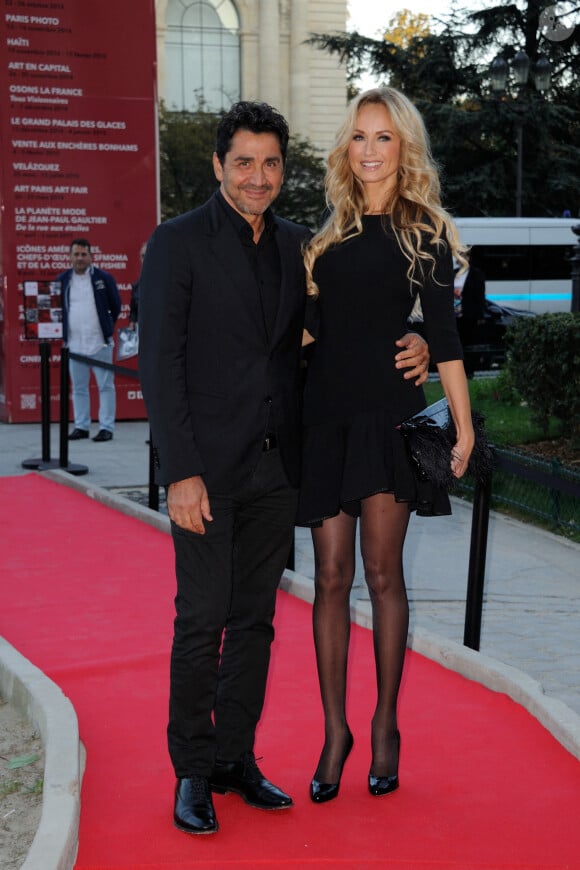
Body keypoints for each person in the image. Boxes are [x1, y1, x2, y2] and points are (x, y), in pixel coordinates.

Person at [138, 100, 430, 837]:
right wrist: (180, 471)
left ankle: (236, 757)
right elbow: (159, 363)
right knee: (202, 622)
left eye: (270, 163)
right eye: (244, 162)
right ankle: (193, 771)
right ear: (218, 166)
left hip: (278, 469)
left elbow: (353, 329)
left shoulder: (303, 246)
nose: (258, 177)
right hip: (205, 470)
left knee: (257, 622)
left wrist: (419, 341)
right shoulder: (176, 244)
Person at [297, 87, 475, 804]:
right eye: (360, 137)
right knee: (328, 579)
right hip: (327, 419)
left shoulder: (423, 230)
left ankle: (384, 726)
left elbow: (449, 337)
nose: (370, 150)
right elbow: (306, 334)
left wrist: (464, 428)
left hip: (386, 419)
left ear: (405, 149)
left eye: (385, 138)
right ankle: (334, 730)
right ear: (347, 148)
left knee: (381, 575)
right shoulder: (326, 235)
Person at [58, 238, 121, 442]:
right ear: (70, 257)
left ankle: (106, 427)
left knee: (105, 386)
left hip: (99, 342)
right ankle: (81, 426)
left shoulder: (104, 278)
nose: (80, 258)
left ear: (90, 256)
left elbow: (116, 305)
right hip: (74, 344)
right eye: (76, 254)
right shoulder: (62, 280)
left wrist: (107, 327)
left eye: (84, 254)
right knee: (78, 388)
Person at [453, 254, 486, 377]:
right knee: (455, 345)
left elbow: (480, 297)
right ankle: (456, 372)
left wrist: (480, 317)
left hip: (468, 317)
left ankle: (468, 372)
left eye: (463, 255)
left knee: (467, 345)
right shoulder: (453, 273)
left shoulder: (476, 274)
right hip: (453, 317)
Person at [128, 242, 147, 330]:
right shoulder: (136, 286)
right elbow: (133, 311)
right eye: (143, 256)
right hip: (142, 332)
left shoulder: (165, 283)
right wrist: (132, 322)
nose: (146, 259)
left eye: (148, 255)